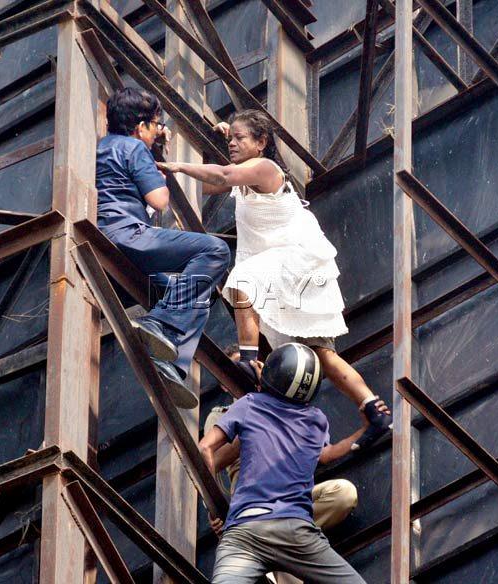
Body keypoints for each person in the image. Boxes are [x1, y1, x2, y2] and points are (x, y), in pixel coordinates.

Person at [158, 109, 391, 448]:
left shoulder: (267, 169)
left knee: (243, 281)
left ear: (262, 142)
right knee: (321, 354)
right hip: (285, 274)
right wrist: (218, 143)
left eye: (241, 138)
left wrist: (179, 165)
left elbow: (222, 175)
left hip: (298, 261)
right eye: (232, 138)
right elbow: (213, 184)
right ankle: (374, 409)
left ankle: (249, 360)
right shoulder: (245, 178)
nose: (234, 143)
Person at [205, 344, 387, 584]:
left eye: (251, 363)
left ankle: (282, 554)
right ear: (223, 381)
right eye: (238, 367)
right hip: (248, 504)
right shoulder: (227, 412)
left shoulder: (303, 415)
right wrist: (216, 508)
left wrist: (363, 435)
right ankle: (279, 558)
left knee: (342, 492)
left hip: (287, 515)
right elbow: (211, 460)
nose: (247, 369)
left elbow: (324, 455)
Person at [96, 87, 230, 409]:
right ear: (140, 126)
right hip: (128, 235)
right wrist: (158, 161)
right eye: (155, 124)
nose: (158, 130)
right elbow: (158, 201)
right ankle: (159, 324)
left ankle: (171, 365)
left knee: (198, 296)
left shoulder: (101, 147)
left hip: (107, 242)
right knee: (215, 251)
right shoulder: (134, 148)